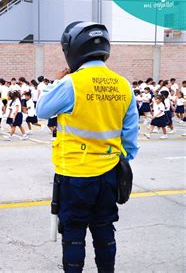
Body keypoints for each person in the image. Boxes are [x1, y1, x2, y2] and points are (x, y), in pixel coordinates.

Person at [36, 22, 139, 272]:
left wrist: (54, 81)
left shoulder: (72, 84)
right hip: (109, 173)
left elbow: (42, 110)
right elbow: (130, 137)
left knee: (73, 232)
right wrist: (116, 158)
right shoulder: (123, 85)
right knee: (104, 229)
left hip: (75, 175)